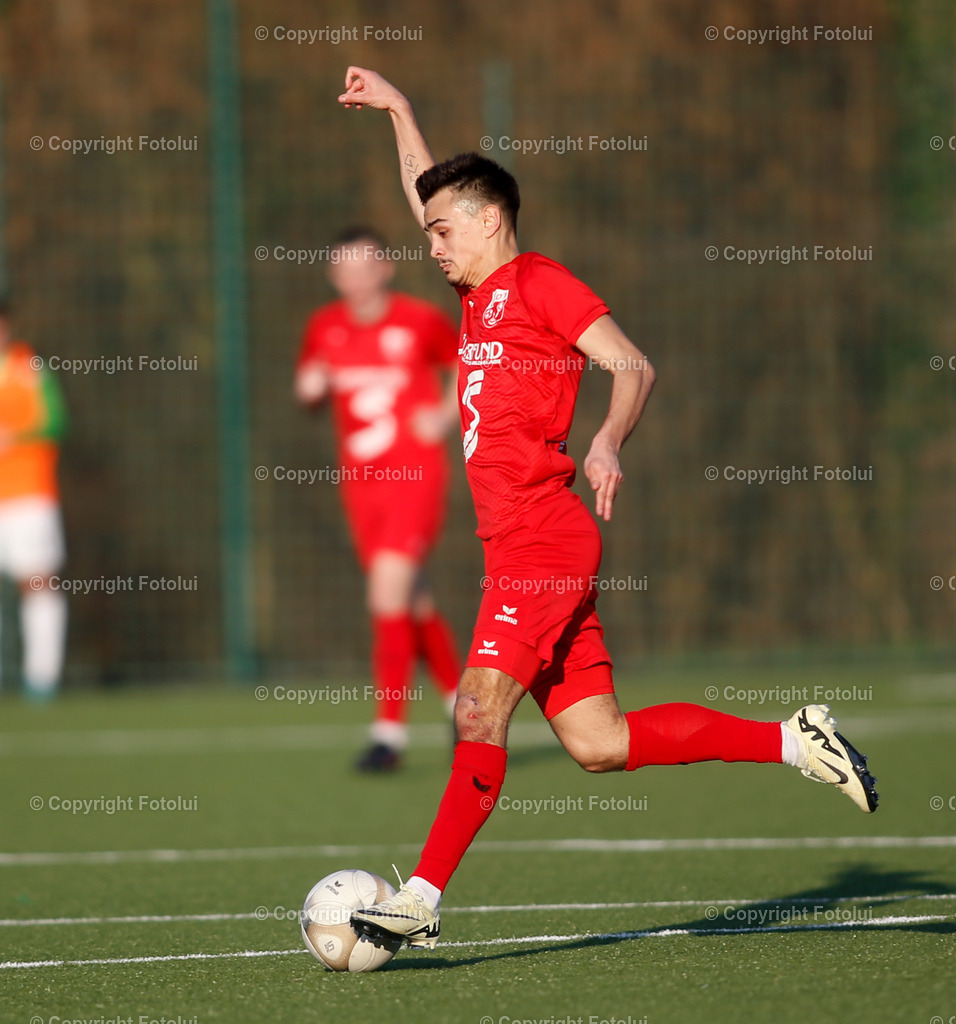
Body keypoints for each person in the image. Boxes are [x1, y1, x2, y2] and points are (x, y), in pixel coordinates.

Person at [335, 68, 879, 948]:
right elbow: (426, 190)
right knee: (599, 744)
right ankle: (793, 740)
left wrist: (606, 441)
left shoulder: (541, 281)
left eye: (442, 231)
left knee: (478, 709)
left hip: (544, 540)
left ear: (491, 221)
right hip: (516, 545)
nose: (429, 244)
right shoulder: (474, 295)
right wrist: (399, 111)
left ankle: (420, 898)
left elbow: (632, 365)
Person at [295, 227, 463, 770]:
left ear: (386, 269)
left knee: (386, 594)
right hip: (360, 488)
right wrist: (309, 387)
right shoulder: (324, 328)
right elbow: (308, 388)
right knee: (411, 603)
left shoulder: (418, 320)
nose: (357, 277)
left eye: (367, 265)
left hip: (415, 478)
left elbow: (469, 361)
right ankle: (467, 709)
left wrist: (443, 413)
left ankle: (388, 735)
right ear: (333, 275)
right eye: (345, 267)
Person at [0, 301, 68, 700]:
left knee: (38, 581)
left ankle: (42, 677)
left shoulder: (28, 367)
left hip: (28, 495)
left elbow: (57, 420)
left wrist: (14, 438)